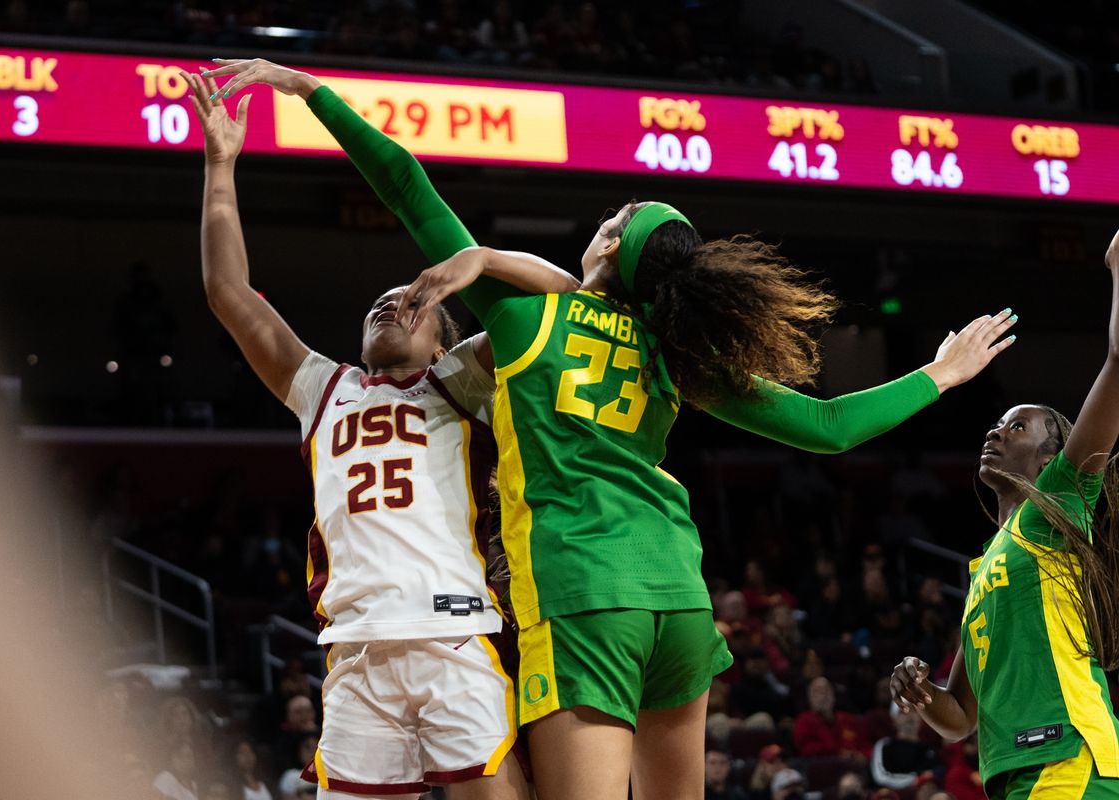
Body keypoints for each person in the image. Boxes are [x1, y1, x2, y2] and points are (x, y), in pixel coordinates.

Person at [200, 57, 1019, 800]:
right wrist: (938, 374)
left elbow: (408, 185)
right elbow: (829, 426)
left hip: (583, 591)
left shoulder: (523, 320)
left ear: (611, 243)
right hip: (680, 597)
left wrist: (310, 92)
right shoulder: (675, 348)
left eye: (616, 213)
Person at [181, 69, 579, 800]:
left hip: (451, 636)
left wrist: (480, 263)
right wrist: (219, 166)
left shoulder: (460, 383)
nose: (388, 306)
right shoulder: (320, 386)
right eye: (379, 303)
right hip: (355, 649)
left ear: (441, 343)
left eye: (411, 303)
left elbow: (569, 299)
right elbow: (228, 294)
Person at [889, 232, 1119, 798]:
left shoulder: (1057, 505)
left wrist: (1118, 266)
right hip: (1013, 773)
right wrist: (921, 692)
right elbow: (961, 719)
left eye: (1018, 426)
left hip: (1068, 758)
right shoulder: (986, 566)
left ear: (1050, 458)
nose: (995, 430)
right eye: (997, 424)